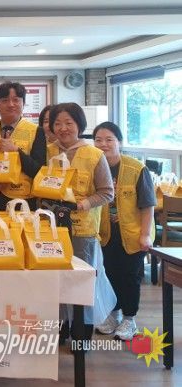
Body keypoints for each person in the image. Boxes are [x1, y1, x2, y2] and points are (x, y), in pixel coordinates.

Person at [48, 103, 114, 345]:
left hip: (82, 228)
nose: (63, 128)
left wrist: (83, 204)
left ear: (79, 125)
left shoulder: (94, 155)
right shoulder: (48, 152)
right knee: (55, 278)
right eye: (57, 123)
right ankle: (61, 327)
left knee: (82, 281)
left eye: (69, 123)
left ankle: (82, 334)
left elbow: (107, 192)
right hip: (52, 228)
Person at [94, 122, 156, 340]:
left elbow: (148, 204)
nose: (103, 144)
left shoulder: (136, 168)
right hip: (105, 233)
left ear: (119, 142)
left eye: (109, 139)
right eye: (98, 140)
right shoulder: (94, 166)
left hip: (133, 232)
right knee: (109, 274)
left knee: (130, 276)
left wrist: (145, 234)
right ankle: (114, 314)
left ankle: (130, 319)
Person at [0, 81, 46, 211]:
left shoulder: (36, 131)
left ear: (23, 103)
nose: (11, 104)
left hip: (22, 201)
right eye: (5, 100)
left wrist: (16, 151)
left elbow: (39, 171)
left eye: (16, 100)